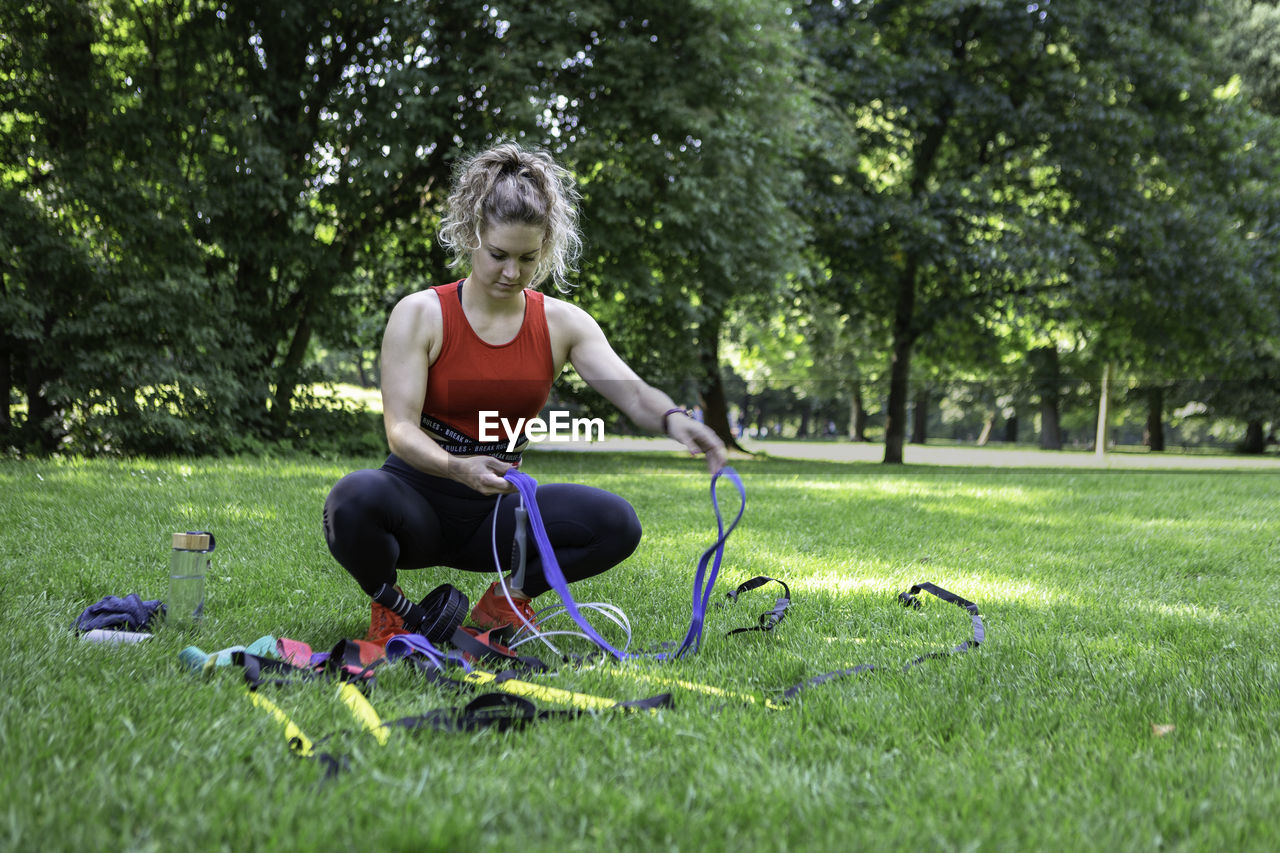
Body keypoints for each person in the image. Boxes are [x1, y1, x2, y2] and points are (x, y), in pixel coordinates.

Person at [322, 141, 726, 645]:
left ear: (546, 250)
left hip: (496, 516)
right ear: (471, 235)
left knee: (616, 522)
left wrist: (674, 418)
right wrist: (455, 466)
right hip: (416, 502)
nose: (510, 273)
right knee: (351, 500)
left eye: (526, 258)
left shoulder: (562, 323)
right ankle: (395, 611)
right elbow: (400, 430)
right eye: (497, 255)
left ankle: (505, 604)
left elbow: (632, 392)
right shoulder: (420, 314)